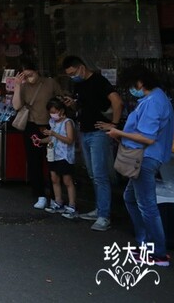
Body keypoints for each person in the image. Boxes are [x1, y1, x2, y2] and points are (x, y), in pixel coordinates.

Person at [97, 65, 174, 267]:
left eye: (132, 86)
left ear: (139, 83)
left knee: (146, 205)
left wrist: (118, 133)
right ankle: (144, 243)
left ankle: (157, 252)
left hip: (144, 158)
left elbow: (146, 138)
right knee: (130, 198)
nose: (132, 90)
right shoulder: (156, 98)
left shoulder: (153, 102)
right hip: (145, 158)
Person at [61, 55, 123, 231]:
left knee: (100, 174)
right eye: (69, 75)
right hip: (85, 131)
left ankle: (104, 215)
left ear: (81, 67)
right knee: (92, 173)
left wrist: (114, 126)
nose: (73, 77)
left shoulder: (99, 81)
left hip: (98, 133)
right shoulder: (79, 84)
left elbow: (117, 102)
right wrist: (72, 104)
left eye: (73, 73)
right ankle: (100, 209)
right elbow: (82, 107)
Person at [12, 58, 62, 210]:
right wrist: (17, 86)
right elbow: (16, 106)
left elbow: (60, 99)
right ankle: (40, 194)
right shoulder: (24, 86)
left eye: (30, 74)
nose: (28, 78)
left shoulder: (50, 83)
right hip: (32, 127)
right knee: (34, 162)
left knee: (52, 161)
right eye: (25, 75)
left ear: (36, 71)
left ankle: (55, 196)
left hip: (49, 126)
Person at [37, 98, 78, 220]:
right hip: (53, 155)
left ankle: (72, 205)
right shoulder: (53, 123)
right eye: (51, 112)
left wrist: (54, 134)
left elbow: (70, 140)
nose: (53, 114)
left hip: (65, 156)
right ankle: (58, 202)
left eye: (54, 111)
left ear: (61, 110)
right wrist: (41, 141)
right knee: (54, 179)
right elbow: (51, 139)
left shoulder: (68, 122)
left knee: (67, 180)